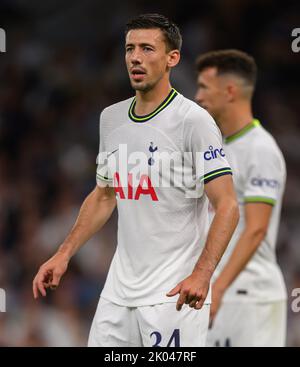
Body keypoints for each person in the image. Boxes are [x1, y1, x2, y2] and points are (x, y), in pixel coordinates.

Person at [33, 14, 239, 347]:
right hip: (117, 294)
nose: (135, 58)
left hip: (174, 294)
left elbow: (228, 204)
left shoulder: (193, 122)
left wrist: (202, 275)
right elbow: (103, 196)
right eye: (130, 49)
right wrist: (64, 253)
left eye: (147, 48)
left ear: (172, 58)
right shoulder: (111, 119)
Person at [195, 49, 287, 347]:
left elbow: (256, 229)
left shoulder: (260, 149)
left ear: (230, 91)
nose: (197, 96)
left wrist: (218, 288)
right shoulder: (215, 148)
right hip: (217, 292)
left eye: (204, 87)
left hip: (251, 296)